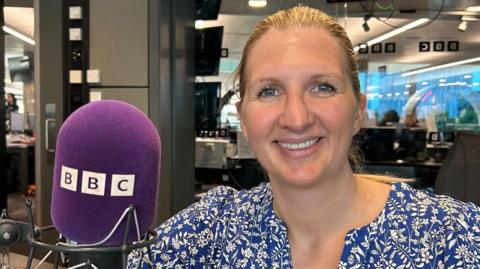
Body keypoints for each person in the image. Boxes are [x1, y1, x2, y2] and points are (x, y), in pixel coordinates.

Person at [129, 6, 480, 268]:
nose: (296, 119)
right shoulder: (210, 230)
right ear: (245, 120)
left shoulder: (452, 237)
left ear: (357, 111)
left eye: (322, 87)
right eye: (269, 91)